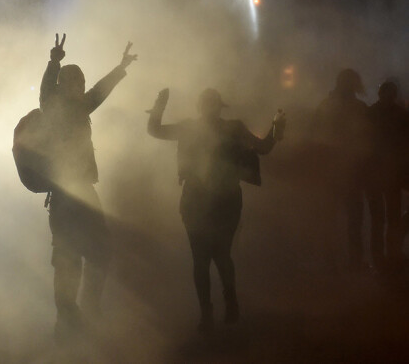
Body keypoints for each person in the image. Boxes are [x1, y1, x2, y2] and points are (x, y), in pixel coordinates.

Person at [147, 88, 283, 332]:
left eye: (212, 105)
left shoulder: (230, 128)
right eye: (208, 104)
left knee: (215, 255)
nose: (210, 109)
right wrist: (159, 106)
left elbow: (263, 148)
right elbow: (155, 130)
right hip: (204, 200)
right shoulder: (206, 128)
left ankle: (221, 307)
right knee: (207, 257)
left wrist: (276, 129)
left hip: (220, 200)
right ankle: (215, 309)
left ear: (217, 107)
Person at [39, 34, 137, 341]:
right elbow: (46, 89)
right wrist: (54, 61)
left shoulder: (82, 107)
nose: (80, 86)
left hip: (83, 191)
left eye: (81, 81)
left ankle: (81, 312)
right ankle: (67, 321)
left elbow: (100, 90)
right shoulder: (51, 106)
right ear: (62, 84)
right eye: (75, 81)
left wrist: (121, 67)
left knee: (98, 253)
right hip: (65, 195)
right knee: (67, 261)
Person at [312, 69, 372, 272]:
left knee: (332, 217)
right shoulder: (358, 107)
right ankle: (351, 261)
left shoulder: (327, 106)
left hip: (338, 170)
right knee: (350, 218)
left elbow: (315, 136)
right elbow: (368, 140)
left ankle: (331, 260)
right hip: (347, 170)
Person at [367, 81, 409, 273]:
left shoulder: (397, 115)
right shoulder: (374, 114)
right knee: (381, 219)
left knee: (389, 218)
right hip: (380, 175)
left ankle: (389, 257)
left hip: (389, 175)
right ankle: (384, 258)